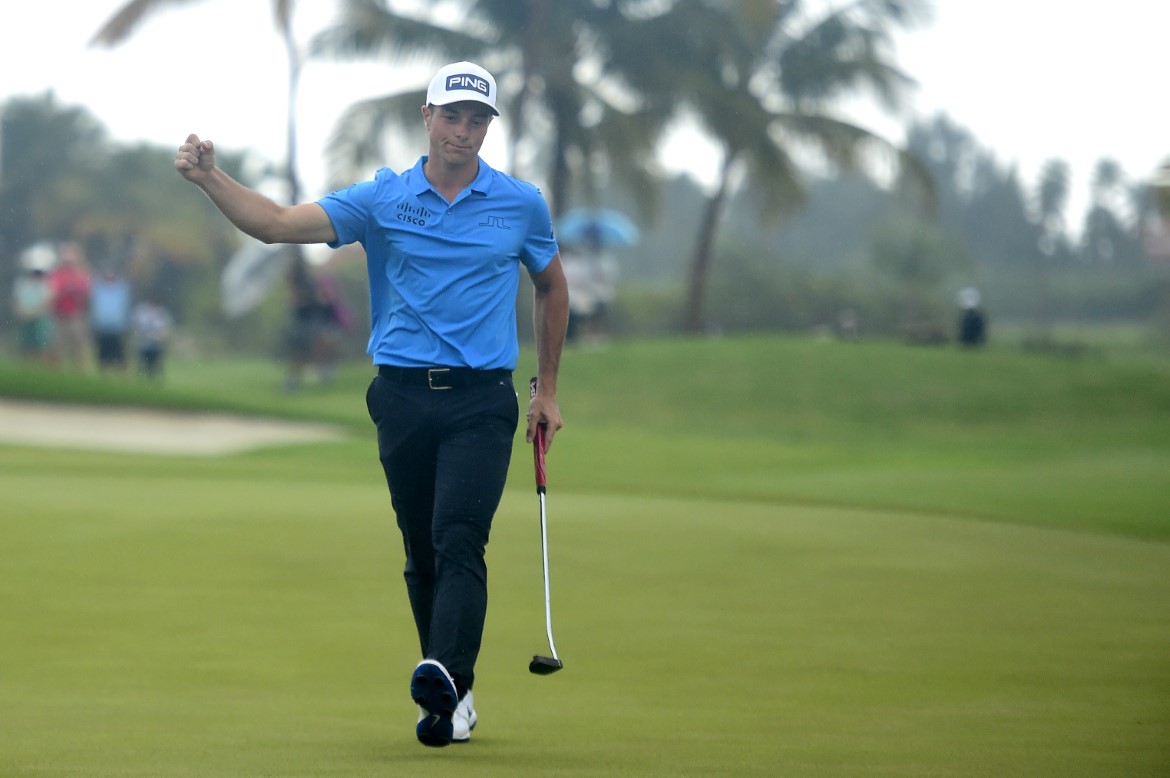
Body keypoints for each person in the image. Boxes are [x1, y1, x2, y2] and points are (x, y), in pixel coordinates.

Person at [173, 60, 569, 749]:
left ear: (488, 127)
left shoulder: (520, 203)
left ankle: (444, 672)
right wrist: (211, 178)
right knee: (421, 551)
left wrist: (549, 390)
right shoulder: (383, 198)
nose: (463, 131)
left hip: (482, 400)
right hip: (401, 398)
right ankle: (455, 695)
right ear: (427, 116)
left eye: (477, 120)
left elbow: (551, 287)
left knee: (458, 540)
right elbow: (274, 224)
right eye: (452, 116)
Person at [48, 242, 92, 370]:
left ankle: (79, 370)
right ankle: (56, 372)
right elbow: (53, 293)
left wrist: (77, 295)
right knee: (57, 346)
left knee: (78, 345)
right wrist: (64, 291)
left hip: (76, 315)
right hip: (59, 315)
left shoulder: (82, 274)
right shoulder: (57, 274)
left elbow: (87, 294)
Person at [89, 265, 133, 373]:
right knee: (103, 353)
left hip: (117, 327)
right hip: (102, 327)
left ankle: (121, 374)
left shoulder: (122, 289)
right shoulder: (98, 289)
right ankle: (103, 373)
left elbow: (125, 307)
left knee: (119, 354)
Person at [131, 294, 173, 379]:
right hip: (143, 343)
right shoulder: (142, 311)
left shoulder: (162, 313)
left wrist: (159, 337)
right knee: (142, 364)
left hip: (156, 345)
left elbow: (166, 329)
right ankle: (142, 378)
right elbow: (136, 324)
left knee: (155, 365)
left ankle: (154, 379)